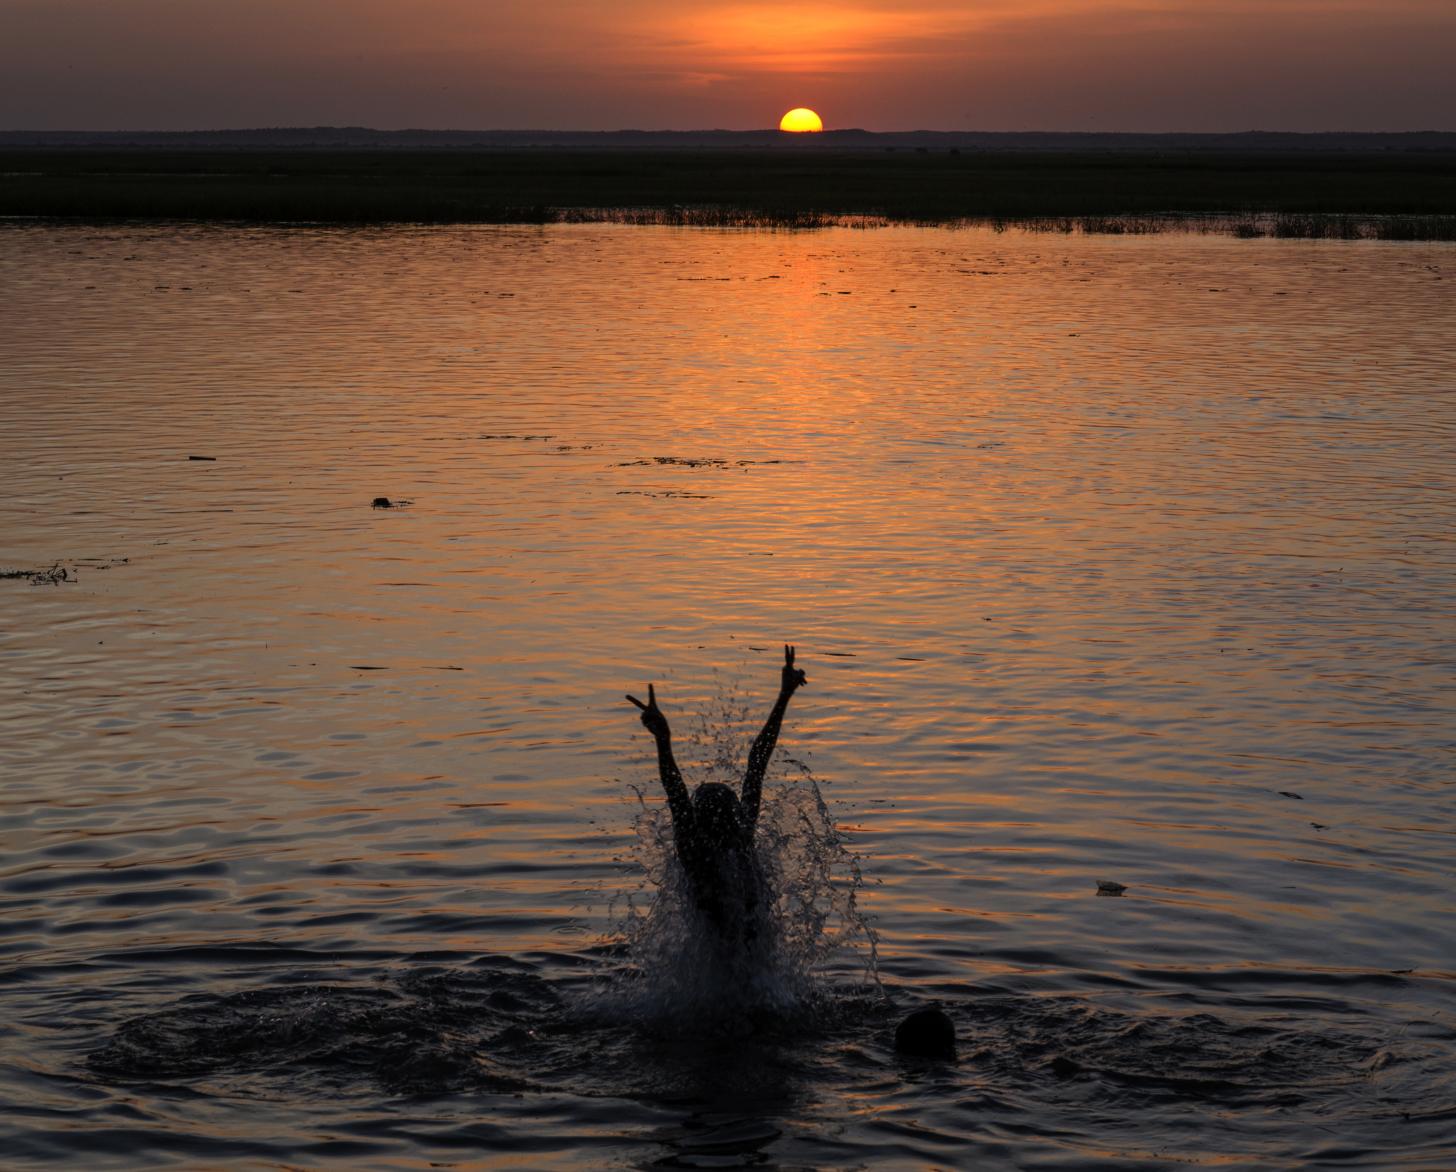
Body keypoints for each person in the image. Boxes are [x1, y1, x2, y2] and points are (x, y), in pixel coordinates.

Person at [626, 646, 808, 941]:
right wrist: (784, 696)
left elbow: (674, 787)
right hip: (754, 962)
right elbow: (758, 761)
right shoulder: (742, 837)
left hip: (713, 961)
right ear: (734, 812)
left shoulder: (692, 848)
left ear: (697, 816)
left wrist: (663, 739)